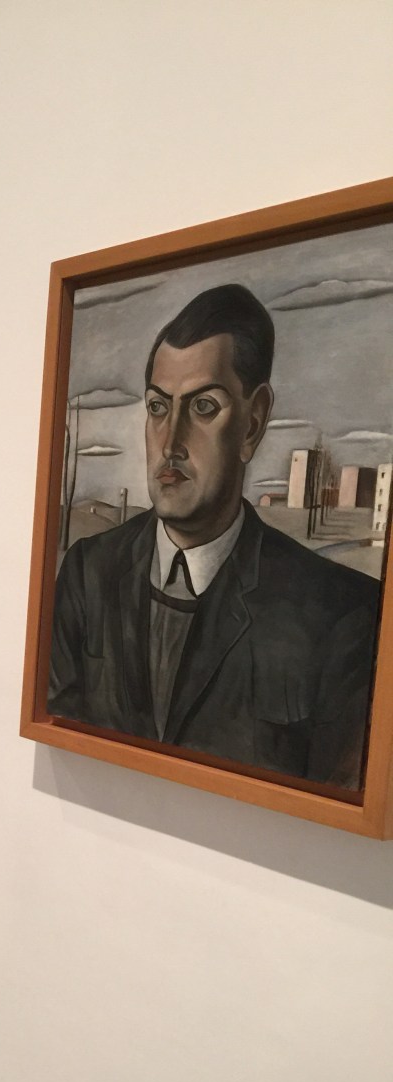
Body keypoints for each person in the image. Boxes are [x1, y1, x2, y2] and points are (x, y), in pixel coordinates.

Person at [48, 284, 380, 789]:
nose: (171, 442)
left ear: (253, 423)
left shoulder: (342, 616)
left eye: (203, 407)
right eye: (158, 407)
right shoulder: (88, 572)